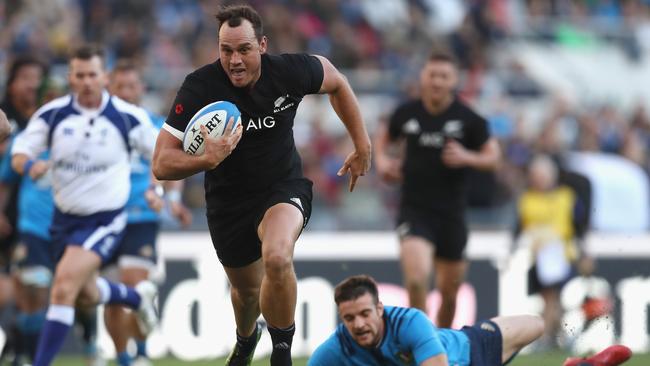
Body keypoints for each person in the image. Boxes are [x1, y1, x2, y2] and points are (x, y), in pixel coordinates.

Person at [152, 5, 371, 365]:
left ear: (262, 45)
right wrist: (206, 159)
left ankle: (281, 354)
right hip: (228, 202)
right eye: (226, 51)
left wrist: (362, 145)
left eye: (243, 50)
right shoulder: (200, 87)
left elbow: (337, 82)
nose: (234, 60)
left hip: (282, 188)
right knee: (246, 291)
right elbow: (161, 163)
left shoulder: (289, 71)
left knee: (277, 256)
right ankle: (246, 337)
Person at [10, 44, 158, 366]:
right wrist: (29, 166)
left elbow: (161, 157)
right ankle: (136, 298)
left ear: (104, 76)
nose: (87, 82)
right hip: (64, 221)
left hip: (105, 221)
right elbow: (20, 149)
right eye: (80, 75)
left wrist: (159, 192)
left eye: (93, 74)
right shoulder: (53, 115)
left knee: (62, 287)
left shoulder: (127, 117)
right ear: (71, 77)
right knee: (86, 293)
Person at [374, 50, 500, 328]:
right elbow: (383, 137)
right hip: (414, 210)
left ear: (454, 81)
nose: (437, 81)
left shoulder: (469, 120)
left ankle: (440, 343)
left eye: (444, 76)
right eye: (432, 75)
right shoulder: (406, 113)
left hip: (452, 215)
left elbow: (493, 157)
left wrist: (467, 157)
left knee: (449, 295)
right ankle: (422, 341)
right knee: (417, 279)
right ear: (423, 77)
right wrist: (383, 161)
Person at [105, 59, 192, 366]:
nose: (127, 92)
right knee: (112, 299)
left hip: (142, 216)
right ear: (110, 89)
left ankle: (140, 355)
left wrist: (173, 200)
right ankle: (121, 357)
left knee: (134, 288)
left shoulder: (157, 126)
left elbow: (168, 168)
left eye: (132, 86)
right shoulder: (101, 126)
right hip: (103, 219)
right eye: (120, 87)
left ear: (141, 88)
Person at [308, 274, 544, 366]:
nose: (358, 324)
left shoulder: (409, 322)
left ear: (379, 309)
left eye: (364, 314)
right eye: (349, 318)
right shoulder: (337, 347)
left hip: (472, 351)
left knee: (536, 325)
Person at [513, 154, 581, 350]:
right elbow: (518, 227)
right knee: (550, 298)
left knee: (552, 297)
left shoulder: (566, 196)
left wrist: (584, 252)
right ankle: (558, 337)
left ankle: (545, 338)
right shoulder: (527, 199)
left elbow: (578, 226)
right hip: (538, 256)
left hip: (561, 256)